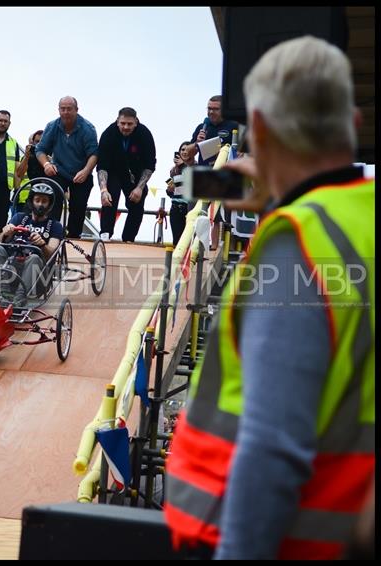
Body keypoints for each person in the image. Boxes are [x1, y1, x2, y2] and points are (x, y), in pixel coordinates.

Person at [164, 36, 375, 560]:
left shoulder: (295, 240)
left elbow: (273, 446)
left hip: (280, 539)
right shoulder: (362, 217)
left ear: (256, 128)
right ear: (354, 125)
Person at [0, 183, 64, 308]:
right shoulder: (19, 218)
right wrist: (6, 232)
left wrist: (42, 245)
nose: (40, 204)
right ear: (31, 201)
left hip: (38, 279)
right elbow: (1, 240)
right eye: (37, 200)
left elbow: (52, 252)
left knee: (34, 258)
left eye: (44, 201)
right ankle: (4, 295)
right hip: (12, 271)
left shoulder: (55, 226)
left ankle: (19, 299)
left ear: (49, 204)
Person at [36, 96, 98, 238]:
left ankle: (74, 237)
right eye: (62, 109)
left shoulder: (88, 128)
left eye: (69, 109)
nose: (66, 112)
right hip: (59, 170)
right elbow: (40, 150)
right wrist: (46, 164)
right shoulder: (52, 126)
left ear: (76, 110)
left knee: (78, 206)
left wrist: (86, 171)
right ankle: (50, 235)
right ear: (58, 110)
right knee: (52, 199)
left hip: (81, 172)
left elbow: (94, 154)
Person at [96, 107, 156, 242]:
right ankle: (105, 233)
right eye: (123, 123)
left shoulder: (144, 134)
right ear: (117, 121)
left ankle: (128, 238)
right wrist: (103, 190)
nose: (126, 127)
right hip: (113, 172)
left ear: (136, 122)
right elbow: (102, 165)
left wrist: (140, 188)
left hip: (135, 174)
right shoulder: (108, 134)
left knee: (137, 203)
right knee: (110, 197)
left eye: (129, 124)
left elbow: (150, 165)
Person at [188, 95, 241, 167]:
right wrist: (197, 143)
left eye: (216, 109)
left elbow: (242, 151)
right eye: (209, 108)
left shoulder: (234, 125)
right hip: (204, 173)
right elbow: (189, 154)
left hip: (226, 172)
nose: (211, 112)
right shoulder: (202, 127)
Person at [165, 141, 196, 246]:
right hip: (175, 207)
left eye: (187, 149)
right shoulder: (174, 170)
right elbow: (175, 191)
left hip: (189, 208)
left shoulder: (196, 166)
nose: (184, 152)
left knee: (188, 241)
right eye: (182, 149)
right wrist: (169, 190)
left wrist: (183, 166)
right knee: (177, 240)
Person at [13, 129, 45, 214]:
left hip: (47, 198)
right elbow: (19, 174)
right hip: (29, 197)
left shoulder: (51, 156)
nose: (38, 145)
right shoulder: (29, 157)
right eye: (36, 142)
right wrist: (26, 156)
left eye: (41, 142)